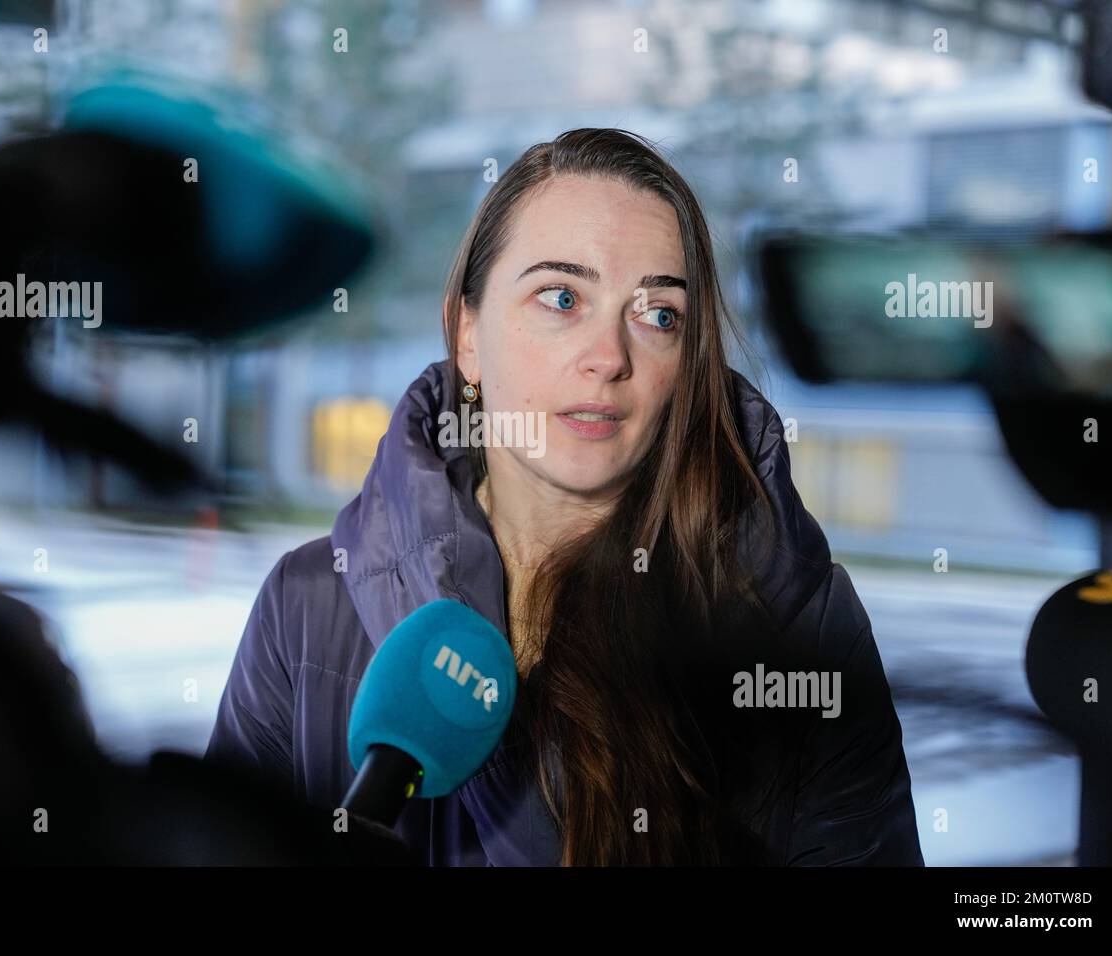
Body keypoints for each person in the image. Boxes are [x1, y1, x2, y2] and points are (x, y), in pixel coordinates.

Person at [206, 128, 924, 866]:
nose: (609, 357)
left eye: (658, 316)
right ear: (468, 335)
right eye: (561, 297)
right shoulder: (305, 607)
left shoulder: (796, 620)